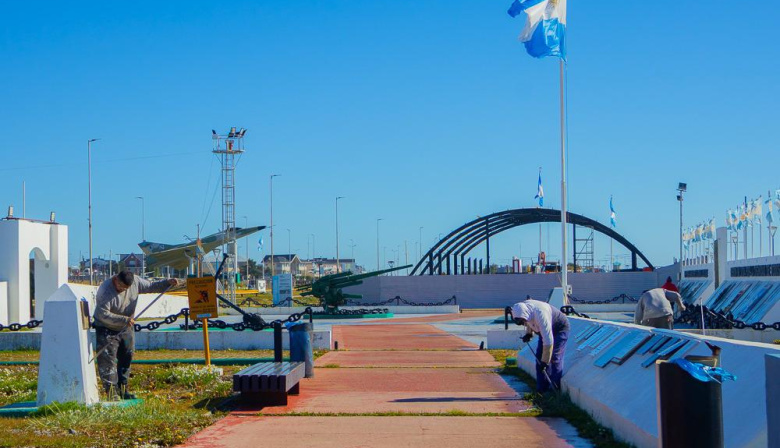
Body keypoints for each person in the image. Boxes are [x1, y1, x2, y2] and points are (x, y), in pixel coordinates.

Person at [93, 270, 182, 400]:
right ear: (116, 280)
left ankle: (123, 389)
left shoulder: (136, 282)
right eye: (121, 287)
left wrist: (167, 283)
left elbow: (151, 286)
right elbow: (102, 314)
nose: (123, 290)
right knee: (108, 362)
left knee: (127, 357)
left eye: (126, 288)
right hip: (106, 328)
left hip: (126, 328)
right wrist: (124, 319)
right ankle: (112, 393)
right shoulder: (105, 290)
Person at [510, 298, 570, 393]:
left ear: (525, 314)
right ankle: (542, 389)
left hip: (559, 328)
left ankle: (554, 388)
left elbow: (548, 341)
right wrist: (529, 334)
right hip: (544, 331)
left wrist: (545, 362)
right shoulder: (524, 310)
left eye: (522, 321)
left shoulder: (541, 315)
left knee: (554, 357)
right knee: (539, 358)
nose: (522, 323)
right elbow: (529, 321)